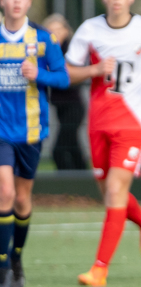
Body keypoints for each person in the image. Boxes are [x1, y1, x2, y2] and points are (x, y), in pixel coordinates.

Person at [65, 0, 141, 287]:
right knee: (110, 194)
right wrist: (95, 69)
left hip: (132, 122)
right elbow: (69, 72)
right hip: (98, 122)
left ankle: (99, 269)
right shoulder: (89, 31)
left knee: (115, 190)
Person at [0, 0, 70, 287]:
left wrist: (38, 74)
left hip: (30, 130)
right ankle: (1, 267)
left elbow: (64, 78)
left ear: (29, 0)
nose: (16, 1)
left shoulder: (43, 39)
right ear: (2, 0)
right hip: (1, 130)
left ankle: (16, 259)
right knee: (5, 192)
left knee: (23, 198)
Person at [43, 14, 88, 171]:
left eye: (58, 29)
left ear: (66, 31)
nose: (54, 33)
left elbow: (68, 74)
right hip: (61, 107)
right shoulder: (47, 50)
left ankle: (67, 184)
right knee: (74, 147)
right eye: (50, 30)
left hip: (74, 107)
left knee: (59, 150)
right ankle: (86, 183)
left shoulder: (71, 51)